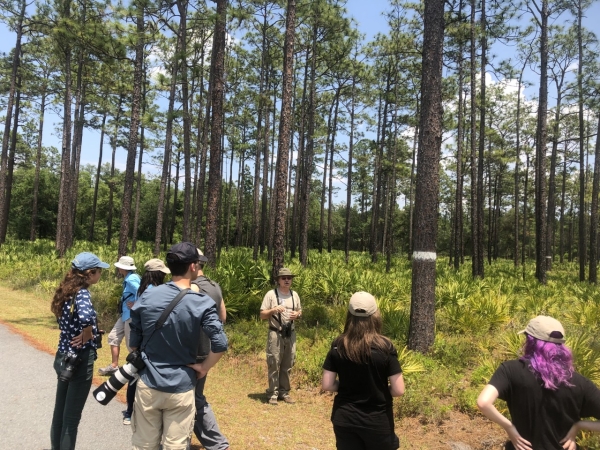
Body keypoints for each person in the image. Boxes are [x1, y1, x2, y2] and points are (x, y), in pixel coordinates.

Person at [129, 242, 228, 450]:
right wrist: (203, 367)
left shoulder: (148, 295)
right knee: (176, 445)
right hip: (181, 387)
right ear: (193, 266)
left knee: (145, 446)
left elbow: (133, 340)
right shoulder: (200, 301)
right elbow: (220, 343)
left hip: (148, 384)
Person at [477, 315, 600, 450]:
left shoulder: (510, 370)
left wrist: (509, 427)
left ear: (530, 341)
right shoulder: (580, 382)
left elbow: (483, 402)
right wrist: (578, 425)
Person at [321, 291, 404, 450]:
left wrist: (345, 386)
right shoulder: (385, 348)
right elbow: (399, 389)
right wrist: (378, 390)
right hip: (377, 421)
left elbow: (327, 384)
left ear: (350, 315)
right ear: (375, 315)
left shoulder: (338, 345)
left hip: (344, 418)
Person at [50, 252, 109, 450]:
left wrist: (91, 331)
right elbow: (84, 317)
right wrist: (87, 332)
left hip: (63, 356)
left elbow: (69, 322)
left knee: (60, 413)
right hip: (80, 359)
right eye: (99, 271)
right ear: (90, 273)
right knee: (72, 418)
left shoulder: (66, 291)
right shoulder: (82, 293)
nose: (101, 274)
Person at [122, 258, 170, 426]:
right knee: (142, 376)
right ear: (159, 274)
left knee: (135, 374)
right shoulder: (155, 290)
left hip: (141, 339)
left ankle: (130, 411)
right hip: (151, 340)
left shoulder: (143, 287)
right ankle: (131, 412)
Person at [189, 249, 229, 449]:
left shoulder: (191, 287)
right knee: (196, 397)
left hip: (190, 351)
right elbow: (223, 316)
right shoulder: (215, 286)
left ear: (193, 265)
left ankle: (216, 443)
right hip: (206, 350)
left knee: (190, 399)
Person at [259, 267, 302, 405]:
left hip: (291, 334)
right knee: (274, 363)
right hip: (275, 333)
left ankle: (284, 392)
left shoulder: (294, 295)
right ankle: (272, 393)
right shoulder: (271, 295)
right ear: (278, 280)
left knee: (288, 364)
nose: (287, 280)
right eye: (283, 278)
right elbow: (262, 315)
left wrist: (298, 314)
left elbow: (300, 310)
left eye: (289, 278)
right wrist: (273, 310)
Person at [98, 255, 141, 376]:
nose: (118, 269)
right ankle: (114, 366)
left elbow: (142, 292)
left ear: (123, 268)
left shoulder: (131, 279)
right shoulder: (129, 278)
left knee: (130, 344)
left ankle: (136, 368)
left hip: (131, 316)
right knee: (113, 337)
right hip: (125, 315)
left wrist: (136, 304)